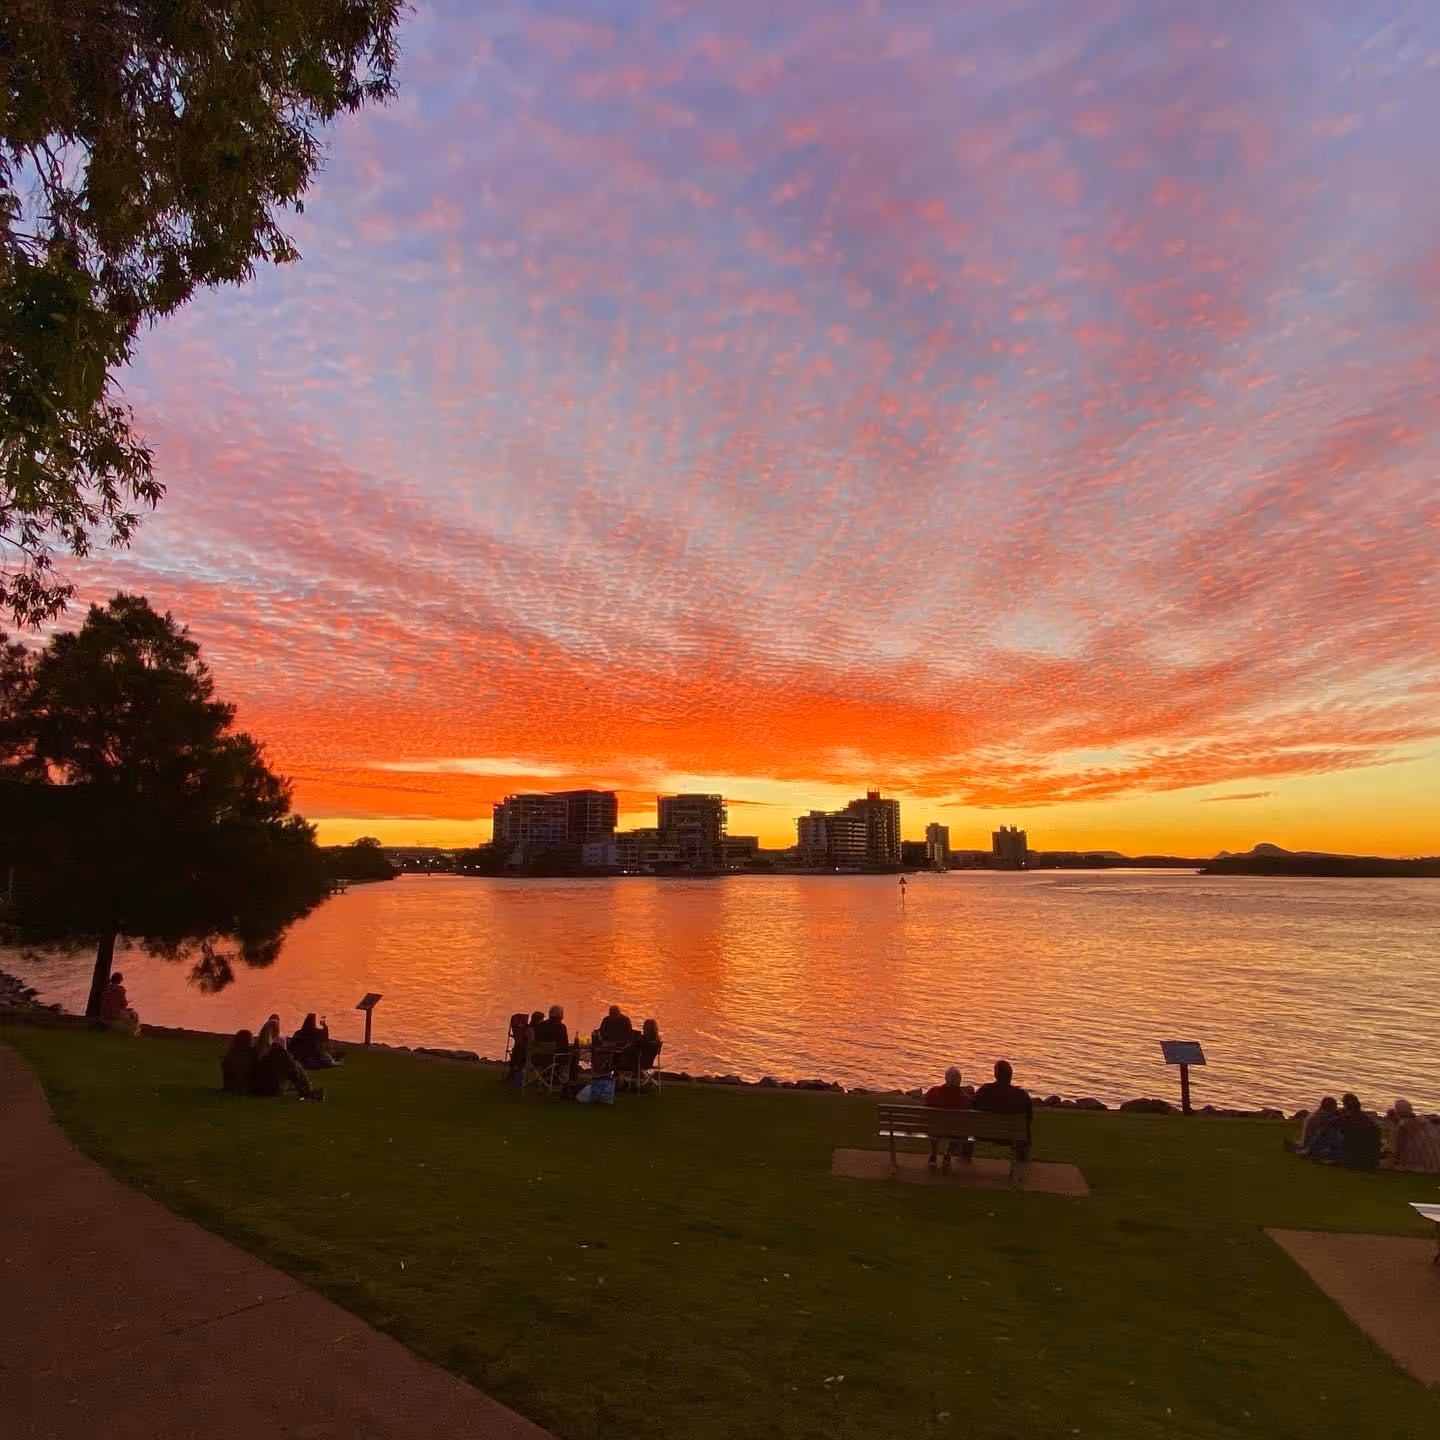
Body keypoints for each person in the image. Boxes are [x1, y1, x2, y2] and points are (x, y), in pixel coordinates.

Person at [972, 1059, 1033, 1162]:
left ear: (995, 1074)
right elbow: (1029, 1118)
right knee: (1024, 1127)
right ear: (1011, 1075)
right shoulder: (1021, 1095)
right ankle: (1022, 1158)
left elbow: (972, 1110)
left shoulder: (984, 1091)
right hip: (1011, 1136)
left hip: (982, 1134)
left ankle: (966, 1154)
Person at [923, 1066, 972, 1171]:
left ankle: (933, 1154)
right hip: (954, 1132)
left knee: (935, 1126)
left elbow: (925, 1106)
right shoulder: (964, 1100)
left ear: (945, 1079)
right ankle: (948, 1154)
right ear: (959, 1082)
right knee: (957, 1128)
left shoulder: (932, 1092)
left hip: (934, 1130)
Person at [1382, 1099, 1440, 1173]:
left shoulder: (1402, 1127)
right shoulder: (1426, 1122)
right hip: (1436, 1165)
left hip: (1421, 1167)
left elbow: (1393, 1154)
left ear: (1397, 1114)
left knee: (1381, 1163)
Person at [1332, 1092, 1381, 1171]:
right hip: (1369, 1160)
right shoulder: (1366, 1120)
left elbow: (1334, 1125)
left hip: (1352, 1159)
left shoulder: (1347, 1120)